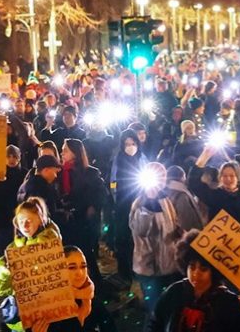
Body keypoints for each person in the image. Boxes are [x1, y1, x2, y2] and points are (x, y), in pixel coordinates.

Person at [146, 230, 240, 332]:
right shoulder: (174, 291)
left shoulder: (228, 302)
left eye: (203, 269)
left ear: (214, 271)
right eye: (192, 267)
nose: (196, 273)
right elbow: (155, 323)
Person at [0, 197, 60, 331]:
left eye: (29, 221)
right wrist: (3, 271)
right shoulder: (13, 249)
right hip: (21, 318)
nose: (25, 226)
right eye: (21, 221)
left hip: (47, 316)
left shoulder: (53, 247)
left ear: (40, 220)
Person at [129, 162, 182, 314]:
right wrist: (149, 204)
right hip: (149, 269)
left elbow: (173, 223)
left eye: (163, 176)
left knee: (170, 311)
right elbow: (141, 230)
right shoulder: (139, 203)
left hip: (169, 266)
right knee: (155, 313)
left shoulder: (166, 200)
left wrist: (180, 233)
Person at [60, 139, 108, 283]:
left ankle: (94, 285)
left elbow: (101, 195)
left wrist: (91, 208)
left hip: (84, 222)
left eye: (65, 150)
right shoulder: (61, 172)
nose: (62, 153)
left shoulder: (90, 173)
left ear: (75, 153)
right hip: (68, 223)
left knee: (86, 255)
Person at [190, 146, 240, 234]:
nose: (228, 179)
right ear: (220, 178)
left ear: (238, 178)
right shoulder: (215, 196)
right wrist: (204, 157)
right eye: (224, 176)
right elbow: (194, 183)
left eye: (232, 176)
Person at [46, 246, 117, 332]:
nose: (80, 273)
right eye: (72, 267)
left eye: (83, 266)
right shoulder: (49, 308)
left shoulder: (91, 300)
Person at [110, 128, 148, 281]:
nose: (130, 147)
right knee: (123, 237)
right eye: (126, 144)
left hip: (140, 204)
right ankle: (124, 271)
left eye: (133, 143)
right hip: (122, 204)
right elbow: (112, 182)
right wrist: (115, 195)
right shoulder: (118, 160)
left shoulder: (142, 158)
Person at [0, 145, 28, 258]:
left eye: (14, 156)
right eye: (8, 156)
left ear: (19, 158)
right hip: (2, 215)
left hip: (19, 215)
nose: (11, 160)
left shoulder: (25, 174)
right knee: (1, 247)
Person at [16, 154, 62, 219]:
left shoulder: (25, 184)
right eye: (55, 172)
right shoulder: (41, 189)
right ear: (46, 170)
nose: (56, 176)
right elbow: (47, 215)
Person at [165, 166, 206, 232]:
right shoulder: (181, 195)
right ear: (182, 177)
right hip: (192, 236)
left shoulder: (168, 193)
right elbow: (187, 220)